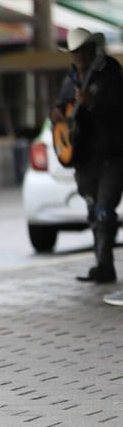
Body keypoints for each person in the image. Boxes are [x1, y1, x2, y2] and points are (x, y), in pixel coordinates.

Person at [50, 28, 123, 284]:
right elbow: (60, 107)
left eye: (81, 51)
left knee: (104, 210)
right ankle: (102, 265)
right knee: (93, 209)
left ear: (92, 50)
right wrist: (57, 115)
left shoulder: (110, 72)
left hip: (111, 154)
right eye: (74, 52)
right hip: (84, 157)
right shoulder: (70, 79)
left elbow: (118, 108)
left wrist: (94, 103)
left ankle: (105, 265)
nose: (78, 57)